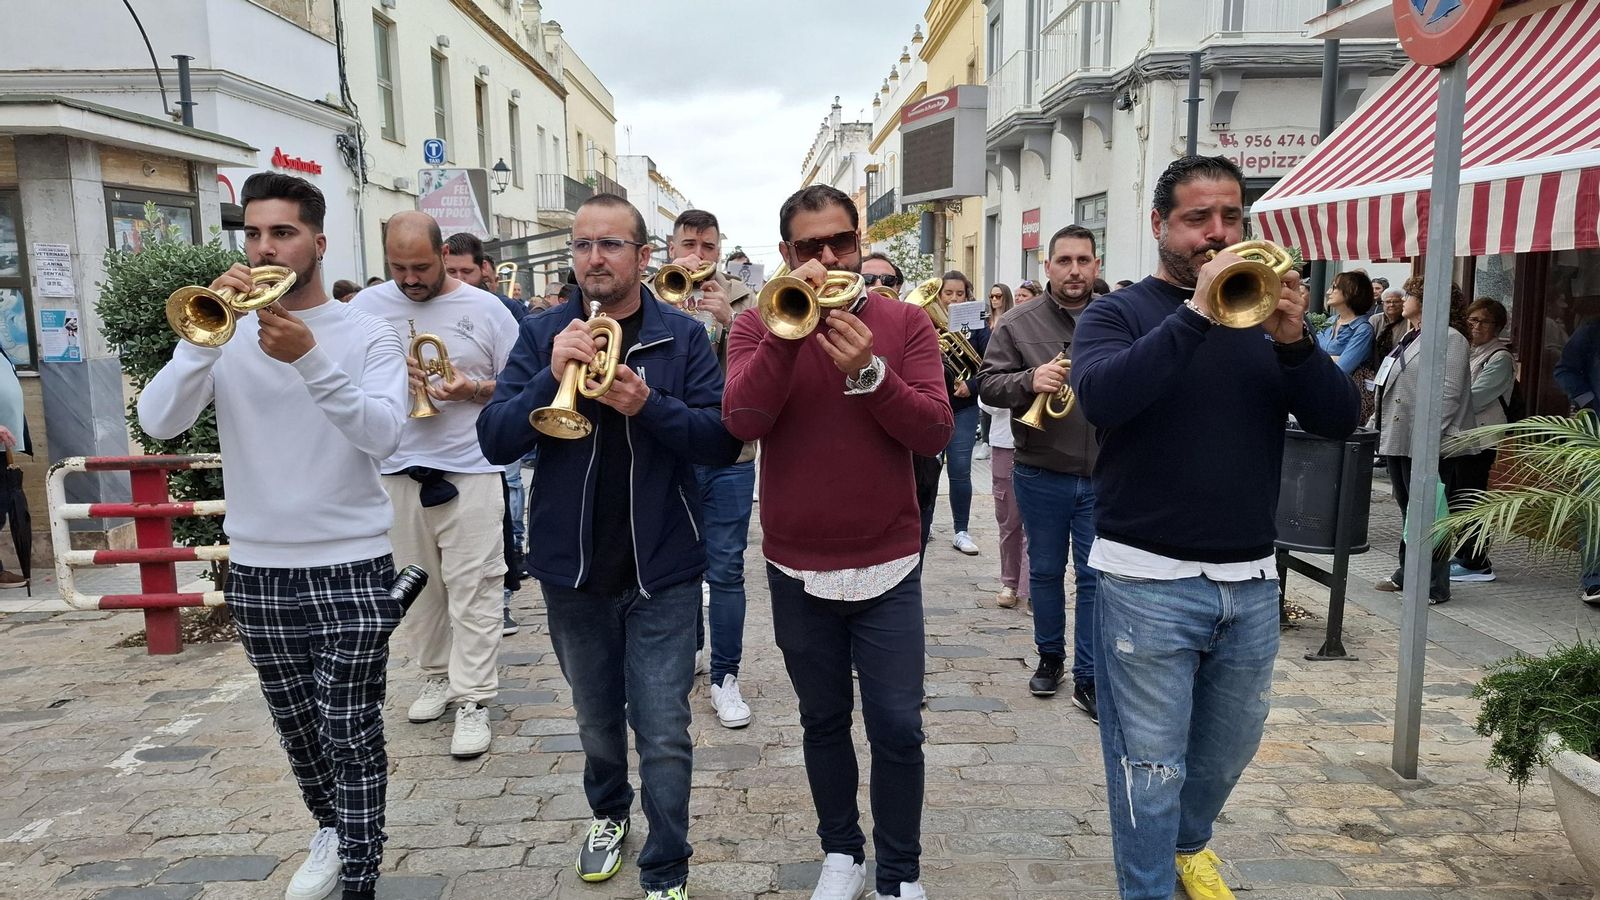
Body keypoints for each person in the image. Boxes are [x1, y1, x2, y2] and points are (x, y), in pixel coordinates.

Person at [1070, 156, 1359, 900]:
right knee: (1151, 766)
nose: (1218, 232)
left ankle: (1185, 844)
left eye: (1231, 215)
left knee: (1229, 751)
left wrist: (1295, 340)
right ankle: (1151, 887)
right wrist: (1196, 313)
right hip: (1144, 580)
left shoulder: (1266, 317)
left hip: (1250, 583)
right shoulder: (1119, 313)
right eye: (1199, 218)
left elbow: (1338, 419)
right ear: (1162, 224)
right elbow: (1105, 397)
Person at [139, 173, 408, 900]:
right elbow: (160, 422)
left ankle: (359, 877)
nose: (263, 248)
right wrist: (205, 337)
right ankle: (332, 828)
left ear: (317, 243)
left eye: (281, 233)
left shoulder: (368, 331)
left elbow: (384, 435)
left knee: (350, 730)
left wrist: (311, 359)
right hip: (258, 568)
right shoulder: (224, 331)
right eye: (252, 234)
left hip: (351, 561)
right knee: (299, 731)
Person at [478, 193, 739, 900]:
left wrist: (647, 405)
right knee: (596, 723)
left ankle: (668, 866)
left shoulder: (681, 339)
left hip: (665, 569)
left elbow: (721, 441)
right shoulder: (541, 333)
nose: (595, 257)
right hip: (573, 570)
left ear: (642, 255)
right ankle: (609, 815)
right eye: (584, 245)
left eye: (611, 245)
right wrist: (546, 373)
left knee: (663, 730)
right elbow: (495, 438)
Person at [723, 184, 951, 900]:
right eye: (809, 248)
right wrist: (789, 340)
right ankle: (841, 854)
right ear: (787, 255)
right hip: (795, 561)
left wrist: (870, 373)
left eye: (841, 244)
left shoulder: (905, 324)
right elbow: (742, 420)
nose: (828, 259)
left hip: (888, 557)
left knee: (897, 727)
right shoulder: (757, 326)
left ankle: (901, 872)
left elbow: (935, 432)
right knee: (822, 720)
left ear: (859, 243)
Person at [351, 211, 518, 760]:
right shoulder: (367, 309)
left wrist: (472, 389)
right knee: (417, 591)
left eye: (421, 267)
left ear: (443, 255)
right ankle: (435, 676)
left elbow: (520, 386)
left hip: (470, 466)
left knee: (476, 587)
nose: (410, 279)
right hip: (395, 468)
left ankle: (473, 697)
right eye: (398, 268)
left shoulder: (485, 308)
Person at [976, 225, 1101, 717]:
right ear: (1047, 266)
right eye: (1064, 260)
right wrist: (1031, 379)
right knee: (1046, 572)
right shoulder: (1018, 322)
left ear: (1096, 265)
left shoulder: (1115, 317)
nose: (1074, 270)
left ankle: (1088, 676)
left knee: (1093, 578)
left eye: (1084, 260)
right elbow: (987, 384)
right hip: (1040, 470)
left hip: (1103, 473)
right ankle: (1050, 657)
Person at [664, 208, 759, 729]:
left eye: (706, 247)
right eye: (687, 245)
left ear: (719, 250)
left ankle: (726, 674)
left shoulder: (749, 301)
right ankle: (691, 653)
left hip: (731, 452)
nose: (696, 257)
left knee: (725, 568)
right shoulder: (658, 295)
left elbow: (770, 364)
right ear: (671, 248)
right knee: (679, 568)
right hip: (672, 451)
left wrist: (732, 319)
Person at [442, 232, 529, 636]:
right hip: (430, 453)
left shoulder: (503, 308)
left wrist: (472, 389)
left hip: (489, 441)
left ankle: (505, 598)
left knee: (508, 511)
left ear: (484, 271)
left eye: (466, 270)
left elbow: (519, 383)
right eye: (451, 270)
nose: (459, 277)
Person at [1372, 276, 1477, 604]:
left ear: (1429, 301)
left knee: (1432, 513)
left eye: (1410, 295)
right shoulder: (1411, 335)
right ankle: (1408, 573)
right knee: (1409, 511)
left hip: (1428, 441)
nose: (1403, 300)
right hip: (1401, 435)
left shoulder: (1451, 338)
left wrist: (1428, 441)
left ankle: (1434, 585)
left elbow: (1448, 392)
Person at [865, 253, 943, 557]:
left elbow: (940, 403)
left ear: (899, 286)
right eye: (868, 280)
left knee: (912, 551)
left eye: (887, 280)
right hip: (867, 460)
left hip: (915, 460)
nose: (877, 285)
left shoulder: (915, 323)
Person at [1450, 298, 1515, 583]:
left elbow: (1474, 398)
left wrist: (1447, 400)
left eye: (1484, 321)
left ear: (1498, 327)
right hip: (1462, 438)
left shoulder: (1499, 358)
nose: (1476, 326)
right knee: (1459, 498)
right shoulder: (1470, 351)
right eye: (1472, 320)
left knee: (1471, 499)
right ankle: (1466, 554)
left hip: (1481, 439)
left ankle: (1476, 561)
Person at [937, 270, 987, 557]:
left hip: (964, 409)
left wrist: (971, 385)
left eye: (960, 293)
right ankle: (924, 524)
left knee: (959, 470)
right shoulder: (926, 321)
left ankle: (961, 530)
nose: (954, 298)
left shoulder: (978, 326)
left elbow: (990, 365)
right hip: (932, 405)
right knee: (927, 469)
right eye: (948, 293)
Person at [1553, 315, 1600, 604]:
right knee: (1595, 505)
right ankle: (1595, 580)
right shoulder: (1593, 331)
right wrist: (1590, 403)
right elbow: (1565, 370)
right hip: (1597, 432)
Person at [1318, 270, 1378, 422]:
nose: (1328, 292)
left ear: (1352, 291)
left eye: (1334, 287)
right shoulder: (1329, 322)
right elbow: (1309, 354)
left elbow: (1344, 366)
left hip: (1343, 397)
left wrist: (1319, 358)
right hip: (1319, 392)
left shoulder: (1363, 328)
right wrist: (1333, 358)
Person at [974, 284, 1014, 461]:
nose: (995, 300)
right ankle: (985, 442)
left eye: (999, 296)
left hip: (1002, 366)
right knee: (985, 409)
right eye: (992, 296)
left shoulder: (1011, 318)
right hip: (985, 364)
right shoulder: (986, 320)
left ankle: (988, 442)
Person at [1369, 286, 1408, 367]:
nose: (1391, 305)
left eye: (1396, 301)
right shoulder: (1375, 320)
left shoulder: (1408, 322)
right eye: (1388, 302)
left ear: (1403, 302)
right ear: (1383, 303)